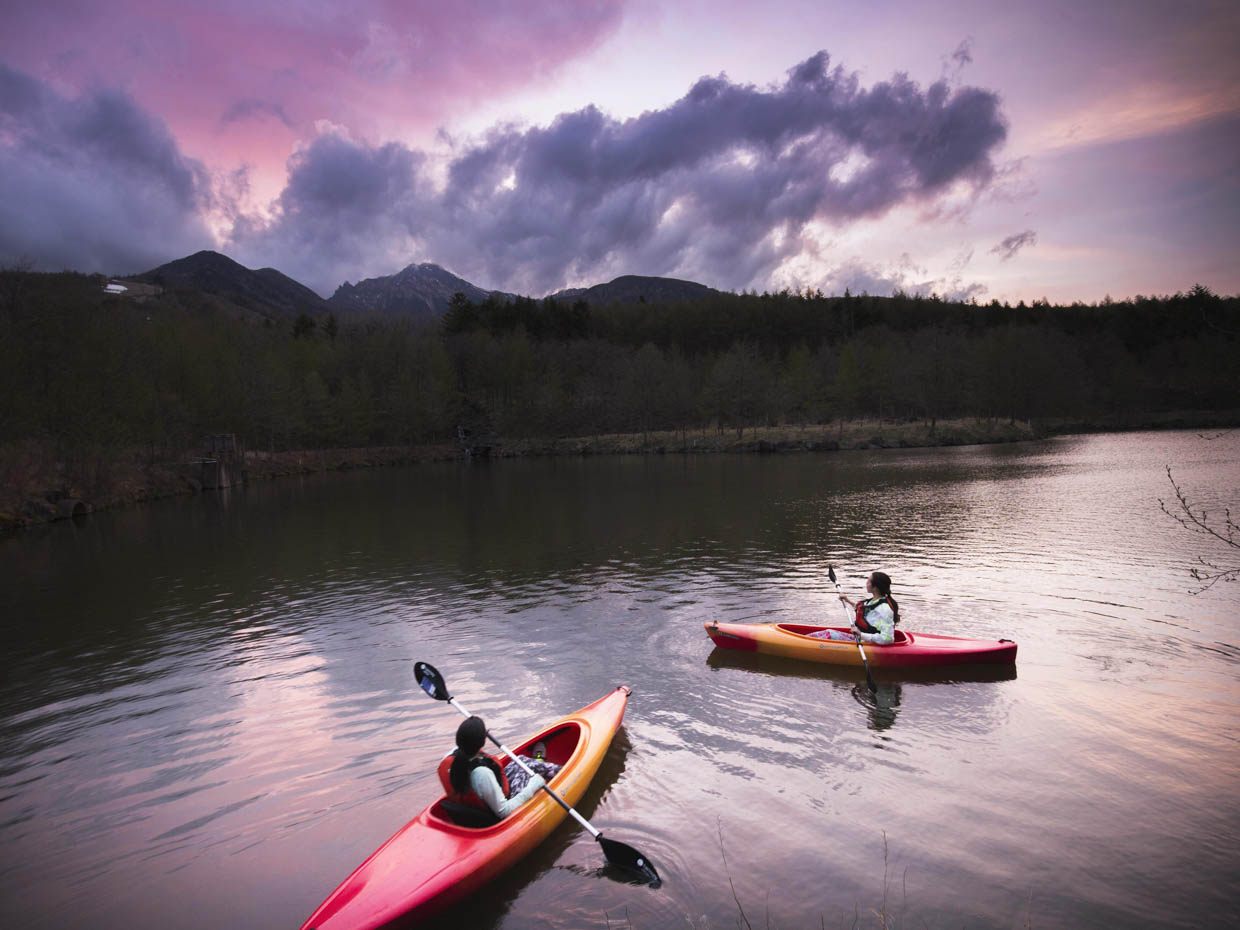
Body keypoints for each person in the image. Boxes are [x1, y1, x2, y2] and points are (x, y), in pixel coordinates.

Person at [438, 716, 561, 820]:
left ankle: (537, 762)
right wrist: (533, 786)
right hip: (494, 814)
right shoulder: (482, 774)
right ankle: (558, 771)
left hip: (475, 806)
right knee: (529, 772)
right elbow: (504, 811)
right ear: (482, 742)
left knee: (521, 760)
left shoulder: (450, 758)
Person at [809, 570, 900, 644]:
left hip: (867, 644)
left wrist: (861, 634)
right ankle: (803, 639)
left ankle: (803, 642)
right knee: (829, 631)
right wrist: (847, 600)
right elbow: (866, 613)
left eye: (868, 581)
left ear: (875, 587)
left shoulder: (884, 609)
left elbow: (888, 639)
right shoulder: (875, 601)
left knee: (830, 634)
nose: (866, 582)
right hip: (862, 639)